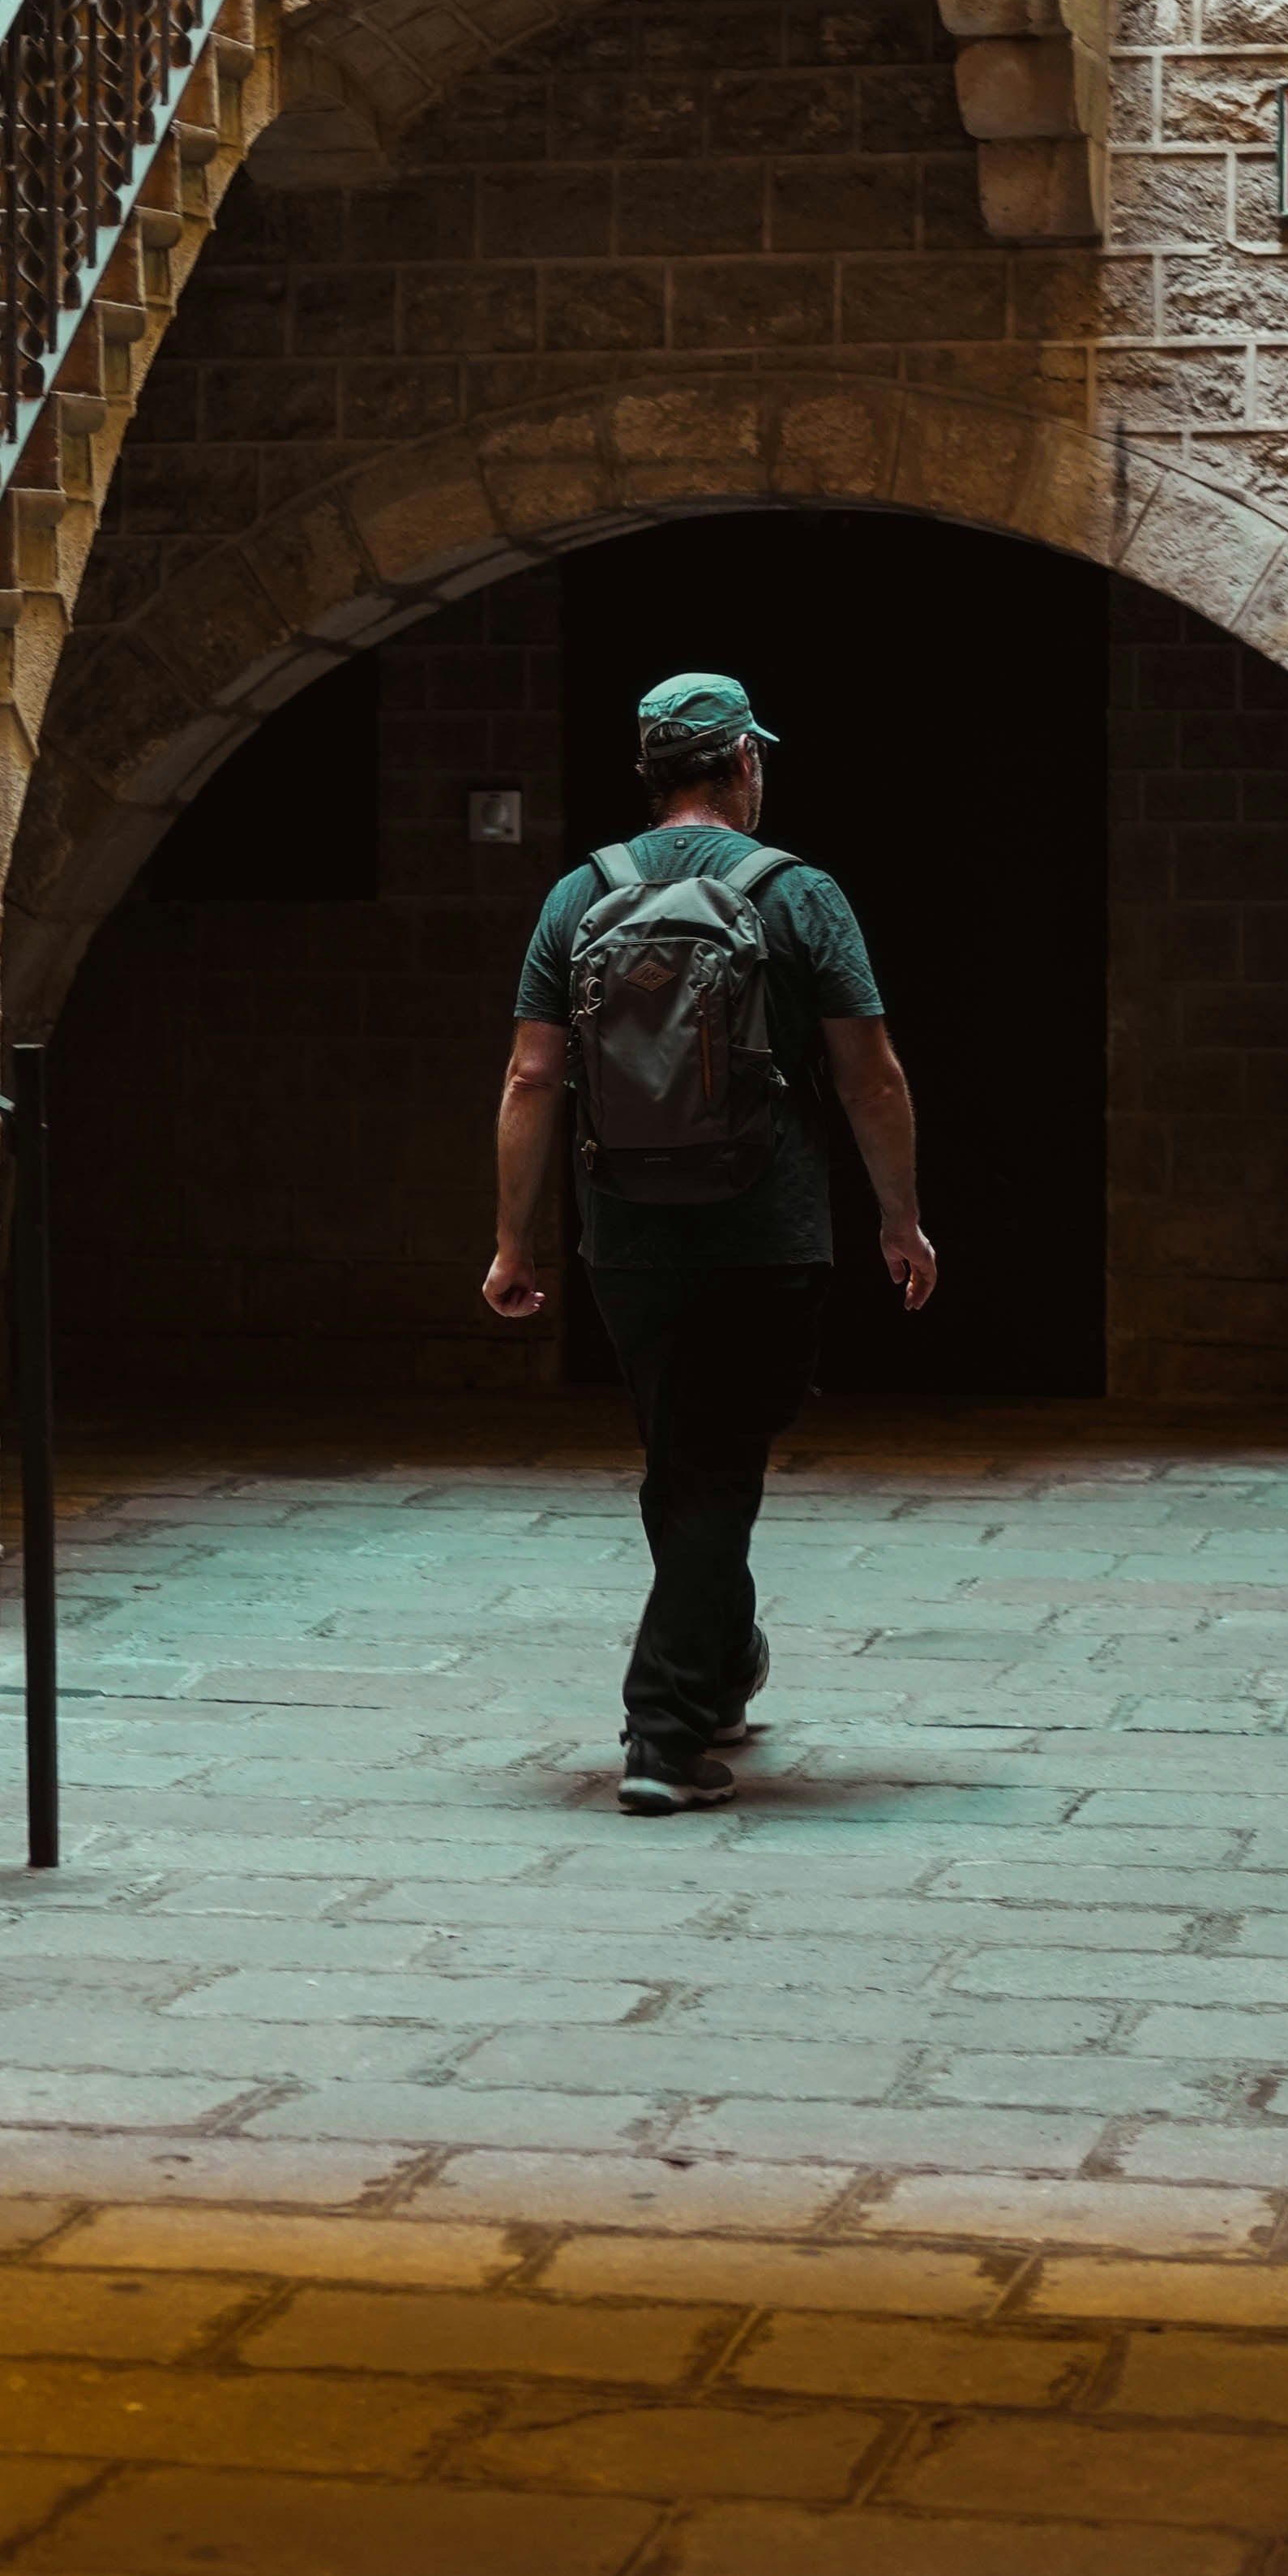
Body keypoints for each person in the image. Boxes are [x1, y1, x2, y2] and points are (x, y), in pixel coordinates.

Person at [485, 671, 938, 1812]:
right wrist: (897, 1217)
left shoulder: (574, 896)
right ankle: (665, 1737)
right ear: (743, 762)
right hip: (764, 1227)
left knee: (684, 1456)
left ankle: (724, 1666)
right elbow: (867, 1074)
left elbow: (533, 1075)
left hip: (626, 1232)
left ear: (649, 774)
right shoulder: (801, 894)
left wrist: (511, 1242)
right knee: (716, 1464)